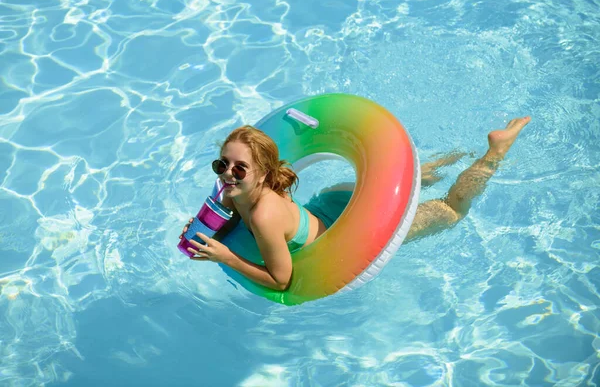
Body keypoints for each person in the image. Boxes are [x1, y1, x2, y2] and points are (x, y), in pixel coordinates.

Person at [180, 116, 531, 291]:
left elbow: (282, 280)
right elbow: (229, 218)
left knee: (452, 209)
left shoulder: (264, 215)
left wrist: (226, 256)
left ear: (261, 172)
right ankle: (447, 160)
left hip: (355, 224)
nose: (227, 173)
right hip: (333, 200)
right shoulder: (232, 191)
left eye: (239, 167)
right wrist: (208, 235)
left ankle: (495, 150)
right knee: (412, 183)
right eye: (221, 164)